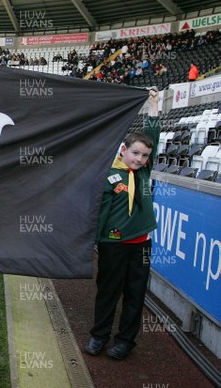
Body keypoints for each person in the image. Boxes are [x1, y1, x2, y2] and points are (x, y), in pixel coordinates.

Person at [85, 89, 161, 360]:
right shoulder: (108, 173)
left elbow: (154, 134)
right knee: (107, 292)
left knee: (135, 295)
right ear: (123, 150)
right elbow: (98, 211)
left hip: (140, 245)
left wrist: (153, 104)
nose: (139, 160)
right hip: (112, 245)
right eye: (136, 154)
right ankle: (98, 335)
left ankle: (126, 341)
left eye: (144, 156)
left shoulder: (144, 173)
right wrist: (94, 238)